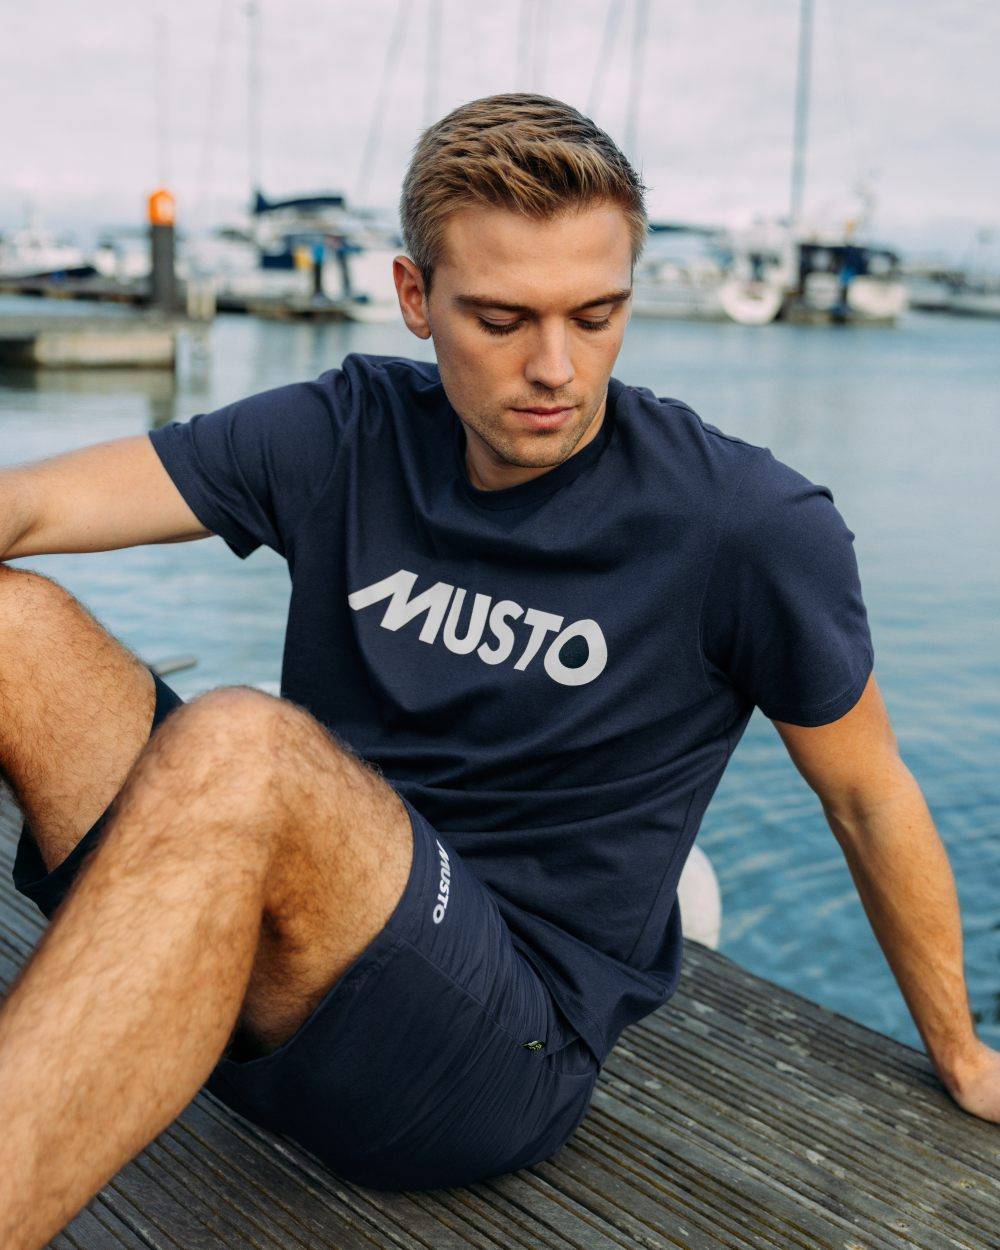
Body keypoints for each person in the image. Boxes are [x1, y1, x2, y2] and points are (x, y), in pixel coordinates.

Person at [0, 91, 996, 1247]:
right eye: (501, 317)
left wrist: (964, 1051)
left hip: (496, 1048)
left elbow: (866, 793)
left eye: (596, 313)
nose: (555, 367)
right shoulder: (351, 428)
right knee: (14, 623)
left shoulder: (745, 525)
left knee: (241, 741)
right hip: (264, 983)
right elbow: (29, 505)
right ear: (415, 298)